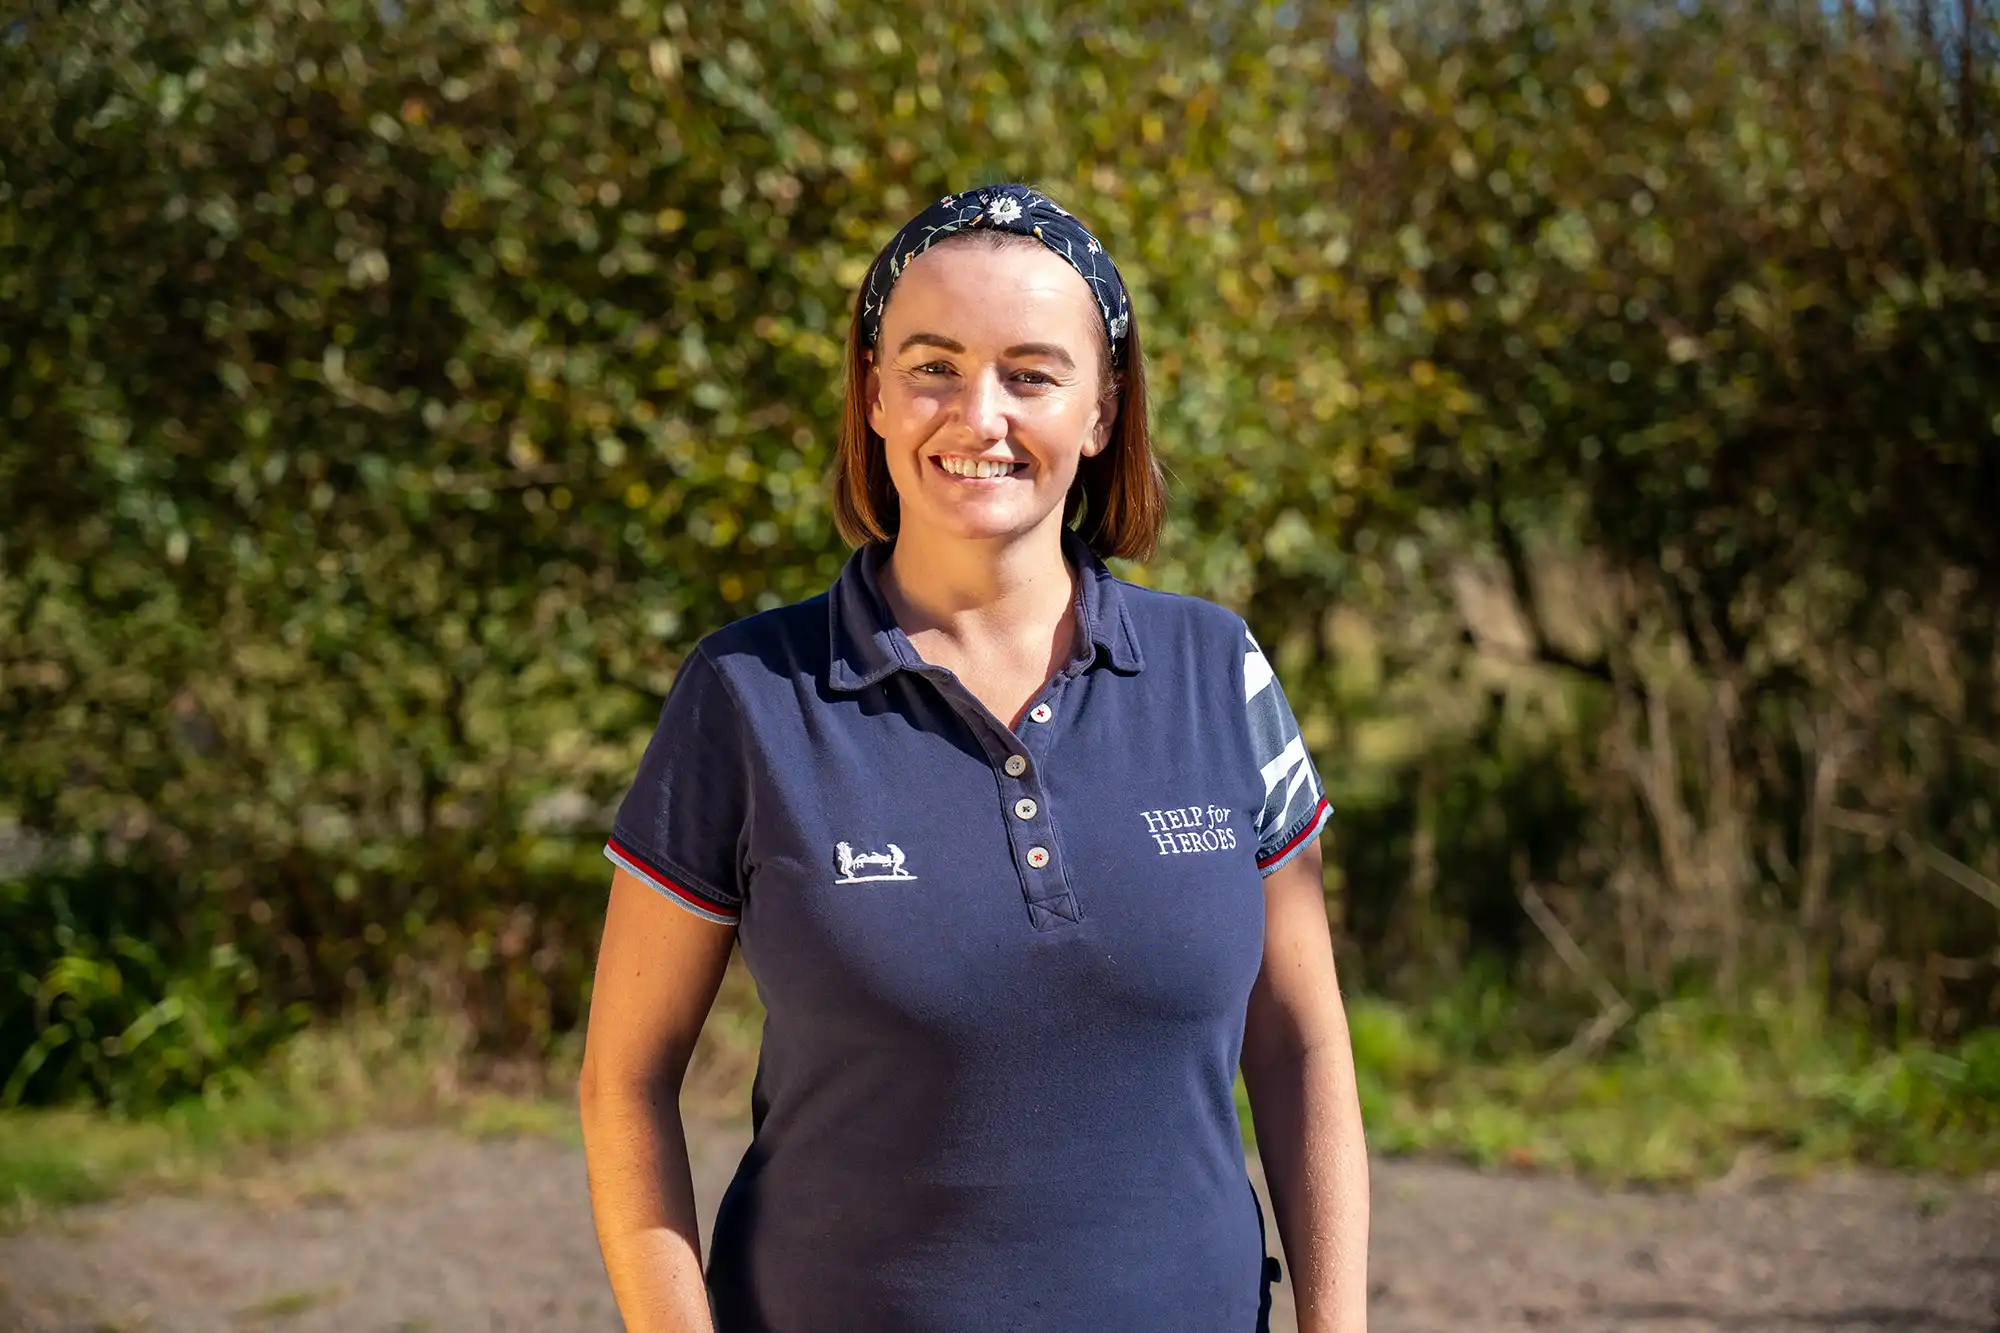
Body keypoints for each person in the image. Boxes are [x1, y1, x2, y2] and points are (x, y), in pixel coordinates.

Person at [578, 183, 1370, 1333]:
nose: (977, 415)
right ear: (874, 394)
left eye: (1031, 373)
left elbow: (1300, 1042)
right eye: (932, 365)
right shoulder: (745, 694)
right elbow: (623, 1082)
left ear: (1101, 409)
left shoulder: (1219, 668)